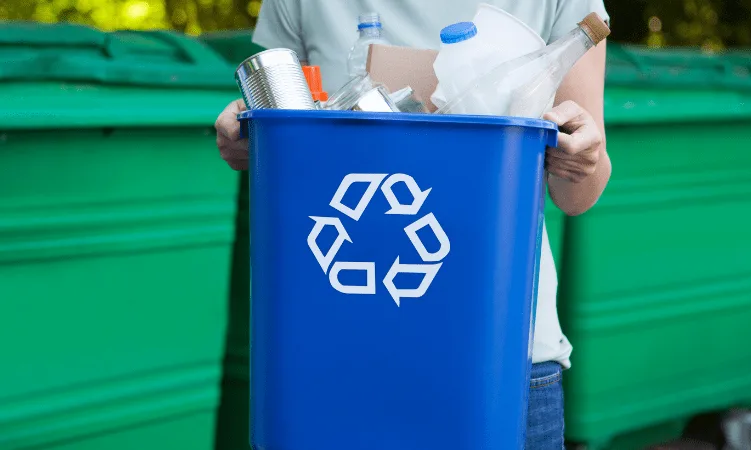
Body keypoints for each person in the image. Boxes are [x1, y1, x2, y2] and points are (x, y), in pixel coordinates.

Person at [216, 1, 610, 448]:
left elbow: (579, 193)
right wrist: (248, 136)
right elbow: (278, 117)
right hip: (324, 361)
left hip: (499, 360)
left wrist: (581, 158)